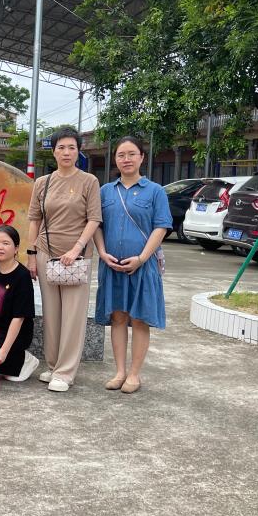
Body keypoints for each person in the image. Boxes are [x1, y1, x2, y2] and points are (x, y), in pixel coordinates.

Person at [94, 135, 171, 394]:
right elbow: (97, 225)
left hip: (143, 266)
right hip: (112, 266)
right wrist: (102, 253)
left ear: (142, 157)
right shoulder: (106, 191)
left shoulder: (155, 191)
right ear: (115, 159)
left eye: (131, 154)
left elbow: (161, 227)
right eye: (121, 155)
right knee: (118, 317)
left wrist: (141, 258)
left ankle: (134, 374)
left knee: (139, 319)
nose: (126, 159)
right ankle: (119, 371)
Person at [26, 127, 101, 393]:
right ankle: (53, 364)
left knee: (73, 315)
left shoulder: (89, 181)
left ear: (78, 151)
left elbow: (94, 219)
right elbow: (34, 220)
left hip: (76, 257)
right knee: (51, 313)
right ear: (54, 151)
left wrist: (77, 247)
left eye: (71, 147)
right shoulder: (42, 183)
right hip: (46, 253)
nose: (66, 152)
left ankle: (66, 372)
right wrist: (31, 255)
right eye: (61, 147)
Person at [0, 225, 39, 382]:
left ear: (16, 248)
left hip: (14, 331)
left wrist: (4, 351)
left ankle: (24, 359)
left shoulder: (22, 276)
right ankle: (9, 362)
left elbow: (19, 318)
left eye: (6, 243)